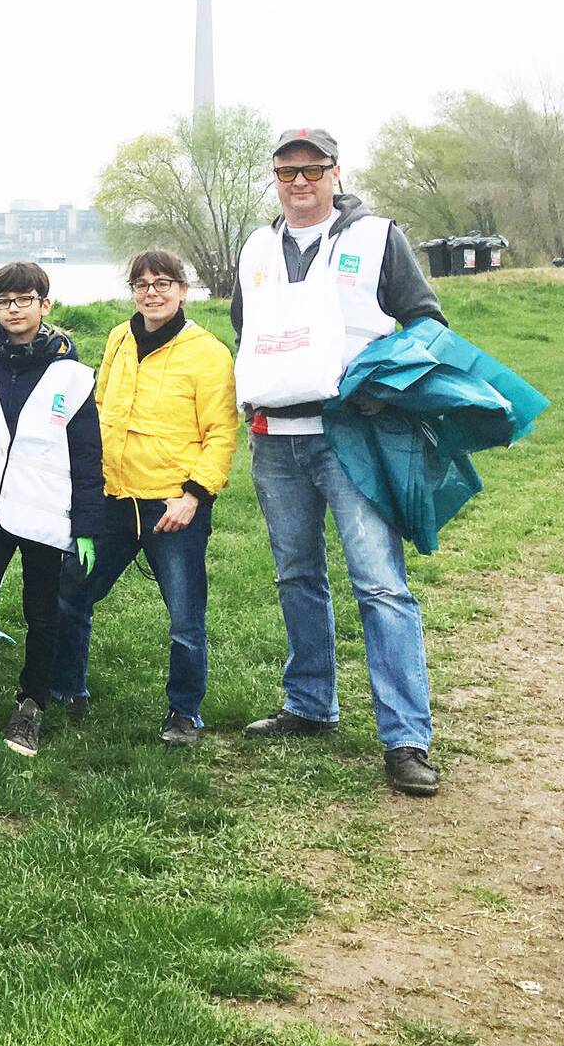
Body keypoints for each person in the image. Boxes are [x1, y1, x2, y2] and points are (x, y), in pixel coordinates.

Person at [232, 128, 446, 796]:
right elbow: (246, 330)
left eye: (312, 169)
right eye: (287, 170)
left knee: (379, 581)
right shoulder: (257, 248)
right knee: (297, 574)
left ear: (334, 173)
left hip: (350, 432)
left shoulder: (377, 237)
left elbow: (426, 323)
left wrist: (384, 390)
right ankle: (310, 703)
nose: (299, 182)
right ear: (274, 177)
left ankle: (406, 736)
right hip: (277, 437)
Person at [50, 249, 238, 746]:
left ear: (182, 289)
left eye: (162, 283)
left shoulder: (208, 352)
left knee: (184, 616)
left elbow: (221, 433)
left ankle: (184, 712)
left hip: (171, 506)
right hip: (113, 498)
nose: (151, 293)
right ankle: (67, 689)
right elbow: (99, 407)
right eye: (141, 284)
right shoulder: (118, 339)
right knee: (73, 593)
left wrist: (194, 495)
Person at [0, 261, 102, 758]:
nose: (14, 309)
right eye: (5, 301)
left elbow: (89, 454)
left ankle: (31, 704)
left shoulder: (71, 375)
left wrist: (89, 525)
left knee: (43, 613)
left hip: (43, 511)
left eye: (24, 299)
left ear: (44, 305)